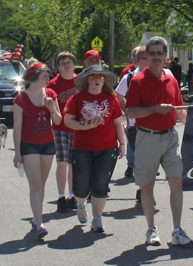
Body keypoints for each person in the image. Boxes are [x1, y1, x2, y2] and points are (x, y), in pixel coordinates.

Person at [126, 36, 193, 246]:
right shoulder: (137, 81)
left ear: (166, 55)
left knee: (177, 182)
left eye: (159, 53)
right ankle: (151, 229)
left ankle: (177, 231)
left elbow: (181, 110)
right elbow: (130, 111)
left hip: (170, 137)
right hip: (147, 137)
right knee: (147, 186)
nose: (156, 57)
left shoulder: (172, 80)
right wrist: (154, 109)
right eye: (151, 54)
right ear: (147, 56)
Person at [64, 65, 125, 232]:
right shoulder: (77, 98)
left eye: (100, 77)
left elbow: (118, 122)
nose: (97, 80)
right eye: (93, 77)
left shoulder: (111, 99)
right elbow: (68, 120)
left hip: (107, 148)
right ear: (87, 80)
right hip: (82, 148)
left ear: (104, 80)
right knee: (81, 186)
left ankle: (97, 218)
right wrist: (83, 127)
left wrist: (123, 144)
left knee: (101, 185)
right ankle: (81, 204)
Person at [116, 46, 174, 201]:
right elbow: (119, 95)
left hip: (164, 126)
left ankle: (144, 190)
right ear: (142, 60)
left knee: (152, 163)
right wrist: (129, 111)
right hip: (137, 127)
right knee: (146, 162)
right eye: (148, 57)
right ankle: (144, 190)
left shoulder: (166, 73)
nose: (153, 60)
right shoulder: (131, 77)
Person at [13, 61, 62, 239]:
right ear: (34, 77)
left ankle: (36, 219)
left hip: (48, 143)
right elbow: (17, 128)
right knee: (35, 185)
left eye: (49, 76)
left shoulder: (50, 94)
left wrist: (51, 108)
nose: (48, 79)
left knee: (41, 184)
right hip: (29, 144)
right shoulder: (21, 98)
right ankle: (40, 223)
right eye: (45, 76)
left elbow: (57, 121)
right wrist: (17, 153)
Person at [47, 51, 78, 213]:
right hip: (60, 128)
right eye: (63, 63)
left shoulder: (80, 82)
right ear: (58, 67)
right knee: (62, 162)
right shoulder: (52, 84)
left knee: (74, 163)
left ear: (74, 64)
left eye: (69, 62)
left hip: (78, 128)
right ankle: (61, 197)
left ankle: (72, 196)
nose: (67, 65)